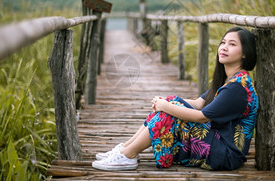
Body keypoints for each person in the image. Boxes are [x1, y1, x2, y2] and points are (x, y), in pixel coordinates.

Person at [92, 26, 259, 171]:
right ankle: (125, 150)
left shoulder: (237, 87)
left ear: (245, 53)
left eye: (232, 44)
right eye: (223, 42)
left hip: (226, 154)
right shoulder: (230, 80)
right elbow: (200, 103)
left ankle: (128, 154)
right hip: (218, 143)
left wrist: (166, 107)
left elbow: (203, 116)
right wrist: (166, 101)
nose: (224, 47)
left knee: (169, 111)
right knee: (171, 102)